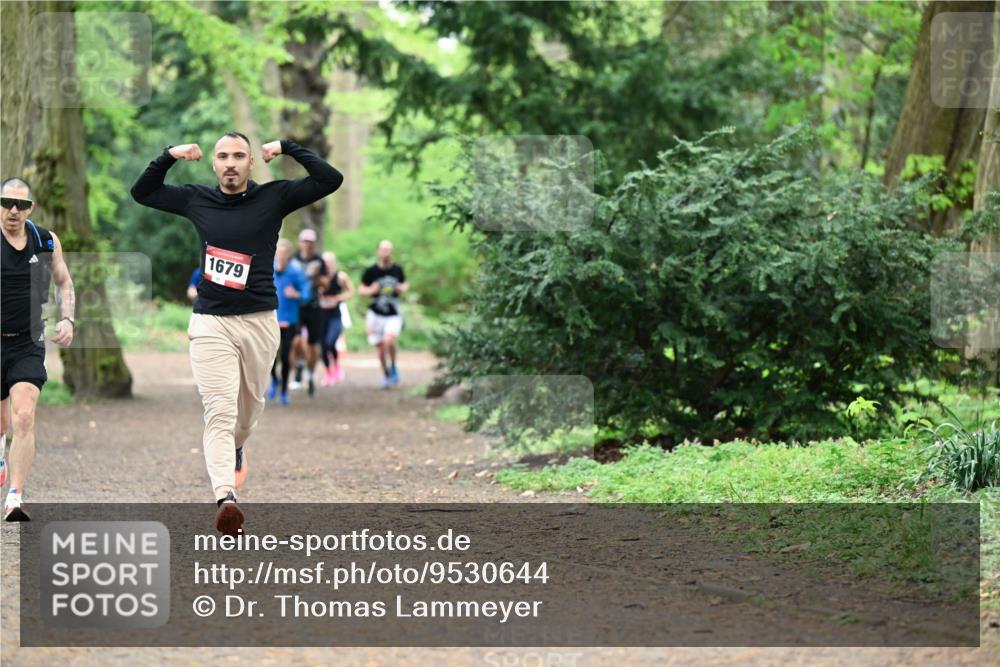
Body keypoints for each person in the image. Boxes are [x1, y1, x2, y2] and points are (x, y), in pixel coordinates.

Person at [130, 132, 343, 535]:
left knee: (247, 413)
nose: (230, 163)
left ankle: (237, 447)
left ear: (250, 163)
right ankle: (226, 497)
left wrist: (287, 147)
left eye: (239, 156)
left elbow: (329, 179)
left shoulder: (274, 197)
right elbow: (143, 192)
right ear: (213, 164)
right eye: (223, 156)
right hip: (211, 321)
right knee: (220, 411)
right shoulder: (196, 198)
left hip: (260, 321)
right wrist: (169, 155)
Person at [0, 177, 75, 521]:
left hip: (27, 341)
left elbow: (64, 281)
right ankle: (2, 449)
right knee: (2, 424)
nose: (13, 210)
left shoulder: (45, 240)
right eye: (6, 203)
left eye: (21, 205)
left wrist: (68, 319)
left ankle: (14, 497)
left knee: (24, 415)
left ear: (31, 208)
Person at [359, 240, 408, 389]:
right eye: (383, 249)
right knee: (380, 349)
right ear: (378, 251)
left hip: (393, 313)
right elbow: (361, 289)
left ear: (391, 252)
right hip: (375, 313)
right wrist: (371, 290)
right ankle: (386, 375)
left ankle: (393, 365)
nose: (385, 252)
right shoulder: (371, 271)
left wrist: (401, 288)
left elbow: (405, 285)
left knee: (389, 340)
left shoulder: (397, 269)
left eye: (388, 249)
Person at [268, 239, 309, 405]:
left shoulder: (296, 272)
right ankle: (274, 381)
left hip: (290, 321)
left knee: (285, 357)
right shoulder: (268, 269)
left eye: (284, 253)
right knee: (270, 356)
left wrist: (296, 294)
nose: (281, 255)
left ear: (289, 255)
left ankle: (284, 390)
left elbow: (307, 295)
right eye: (279, 252)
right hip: (270, 320)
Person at [288, 228, 326, 395]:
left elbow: (326, 283)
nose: (307, 245)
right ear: (300, 242)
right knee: (295, 341)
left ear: (314, 244)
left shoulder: (319, 261)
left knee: (312, 345)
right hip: (295, 307)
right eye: (305, 241)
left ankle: (310, 373)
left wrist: (317, 277)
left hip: (313, 307)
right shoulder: (293, 259)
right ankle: (298, 367)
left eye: (310, 242)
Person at [318, 251, 354, 386]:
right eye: (324, 261)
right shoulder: (318, 277)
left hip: (335, 315)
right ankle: (328, 373)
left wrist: (338, 298)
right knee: (322, 346)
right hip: (321, 315)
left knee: (330, 343)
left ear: (333, 262)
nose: (326, 264)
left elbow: (351, 291)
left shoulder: (340, 276)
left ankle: (337, 367)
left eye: (329, 261)